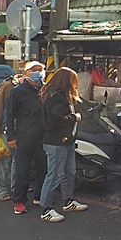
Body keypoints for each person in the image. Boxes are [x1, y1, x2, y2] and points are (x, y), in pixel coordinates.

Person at [38, 67, 88, 223]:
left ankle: (68, 201)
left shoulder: (64, 96)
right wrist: (75, 117)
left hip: (67, 140)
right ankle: (46, 209)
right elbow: (55, 121)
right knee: (54, 175)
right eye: (73, 81)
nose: (75, 84)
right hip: (56, 141)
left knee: (69, 172)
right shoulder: (56, 98)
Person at [7, 61, 48, 215]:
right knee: (22, 170)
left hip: (43, 136)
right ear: (26, 73)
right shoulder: (18, 91)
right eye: (34, 70)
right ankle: (19, 201)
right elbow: (9, 114)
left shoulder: (46, 89)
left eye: (41, 70)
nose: (38, 72)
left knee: (43, 168)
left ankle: (39, 196)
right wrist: (11, 135)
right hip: (24, 136)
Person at [0, 69, 24, 202]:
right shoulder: (8, 86)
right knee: (5, 161)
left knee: (18, 161)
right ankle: (1, 190)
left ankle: (16, 186)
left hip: (22, 130)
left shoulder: (33, 87)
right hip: (7, 130)